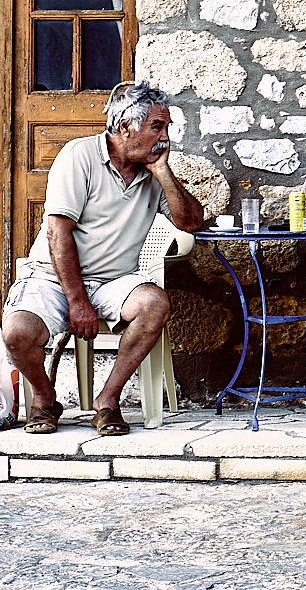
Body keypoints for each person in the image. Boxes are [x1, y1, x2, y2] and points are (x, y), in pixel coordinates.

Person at [2, 81, 205, 437]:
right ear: (125, 126)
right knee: (17, 331)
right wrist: (77, 301)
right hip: (53, 277)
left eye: (167, 127)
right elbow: (57, 234)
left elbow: (190, 222)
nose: (166, 137)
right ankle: (46, 399)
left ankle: (107, 401)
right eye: (158, 126)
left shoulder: (152, 171)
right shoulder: (78, 156)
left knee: (154, 303)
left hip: (114, 281)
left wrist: (163, 173)